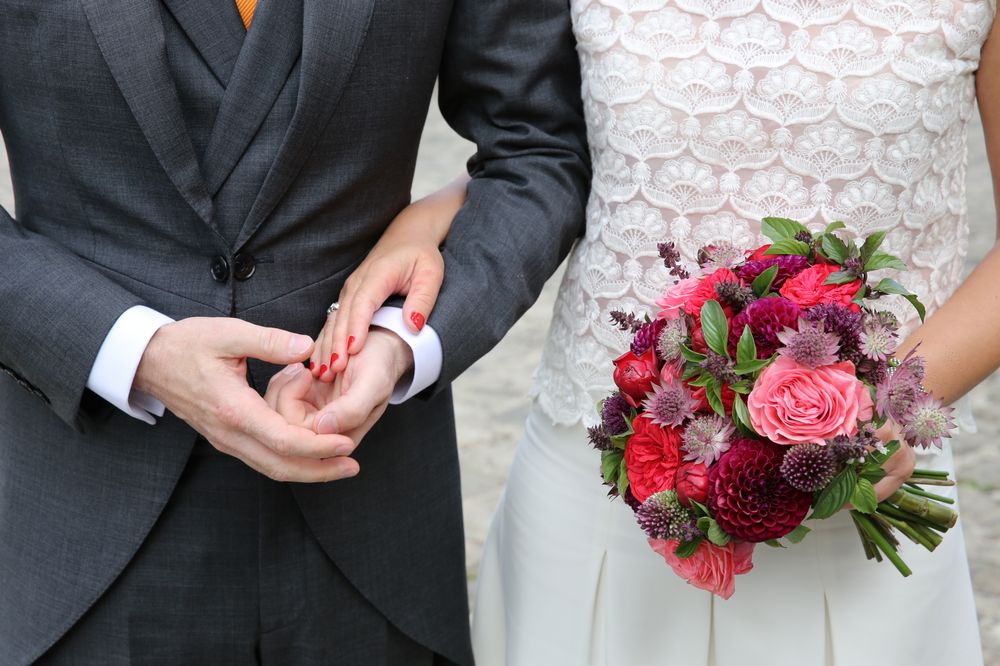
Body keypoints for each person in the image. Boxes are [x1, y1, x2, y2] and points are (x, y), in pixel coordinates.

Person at [322, 1, 1000, 663]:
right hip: (597, 487)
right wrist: (428, 217)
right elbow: (551, 143)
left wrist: (888, 402)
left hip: (855, 501)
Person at [0, 0, 590, 663]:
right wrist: (136, 351)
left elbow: (538, 145)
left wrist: (400, 340)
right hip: (84, 527)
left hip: (375, 526)